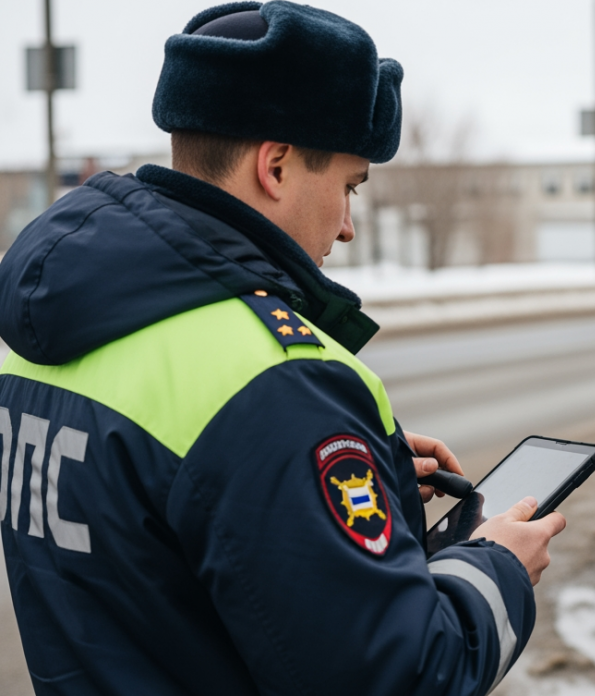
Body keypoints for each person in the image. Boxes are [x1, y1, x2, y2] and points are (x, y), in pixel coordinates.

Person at [0, 3, 564, 694]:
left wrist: (326, 482)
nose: (348, 227)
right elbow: (403, 675)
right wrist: (497, 569)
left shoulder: (46, 331)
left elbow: (159, 538)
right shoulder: (275, 380)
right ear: (277, 165)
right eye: (349, 187)